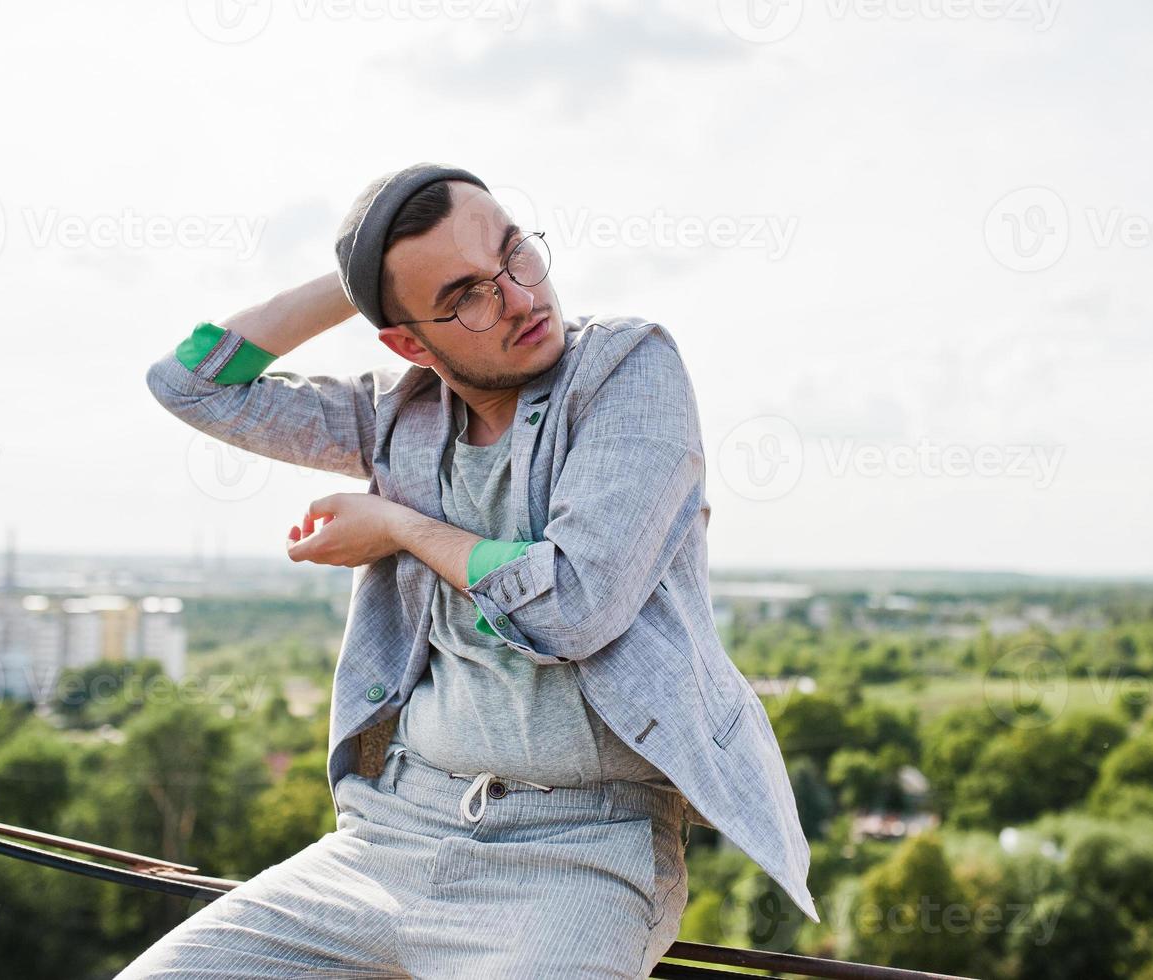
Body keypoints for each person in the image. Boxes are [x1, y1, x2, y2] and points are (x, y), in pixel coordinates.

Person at [120, 162, 817, 979]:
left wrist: (400, 527)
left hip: (579, 856)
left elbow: (572, 606)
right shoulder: (395, 412)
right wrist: (364, 274)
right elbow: (192, 383)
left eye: (515, 254)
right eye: (464, 296)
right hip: (390, 836)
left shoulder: (626, 368)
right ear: (409, 341)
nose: (520, 297)